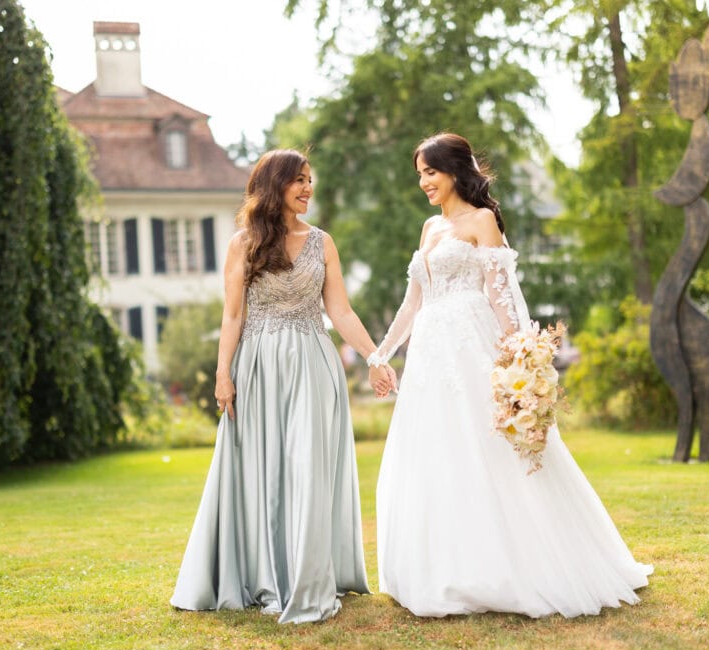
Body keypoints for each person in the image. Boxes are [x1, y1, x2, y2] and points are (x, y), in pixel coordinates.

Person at [367, 133, 653, 618]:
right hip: (431, 357)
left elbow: (502, 296)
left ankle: (518, 567)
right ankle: (442, 569)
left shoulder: (482, 221)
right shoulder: (429, 228)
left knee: (489, 449)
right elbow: (414, 302)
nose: (423, 183)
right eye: (419, 174)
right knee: (436, 453)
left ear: (455, 170)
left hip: (472, 349)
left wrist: (524, 355)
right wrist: (381, 354)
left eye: (429, 172)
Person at [171, 149, 395, 624]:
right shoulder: (242, 244)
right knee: (265, 467)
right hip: (259, 365)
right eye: (299, 180)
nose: (308, 188)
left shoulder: (323, 242)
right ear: (275, 186)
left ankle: (311, 575)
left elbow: (341, 313)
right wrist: (222, 373)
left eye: (310, 180)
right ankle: (267, 575)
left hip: (314, 364)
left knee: (307, 464)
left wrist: (375, 357)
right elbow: (233, 315)